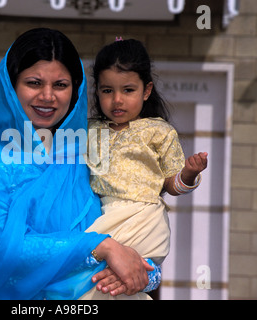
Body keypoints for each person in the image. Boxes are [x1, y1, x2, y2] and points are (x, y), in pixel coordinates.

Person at [0, 28, 155, 300]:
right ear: (11, 86)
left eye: (60, 85)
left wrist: (137, 274)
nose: (47, 96)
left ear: (76, 90)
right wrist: (100, 247)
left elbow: (142, 235)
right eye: (34, 83)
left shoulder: (93, 152)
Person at [81, 38, 208, 299]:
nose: (117, 100)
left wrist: (188, 174)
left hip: (144, 217)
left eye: (128, 90)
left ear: (146, 90)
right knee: (91, 275)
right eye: (107, 91)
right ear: (97, 91)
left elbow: (171, 185)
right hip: (104, 214)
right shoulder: (88, 131)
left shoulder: (159, 132)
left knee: (123, 278)